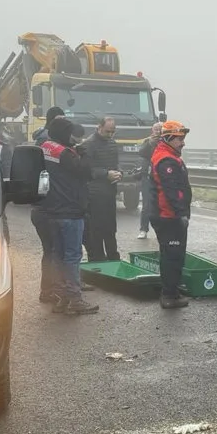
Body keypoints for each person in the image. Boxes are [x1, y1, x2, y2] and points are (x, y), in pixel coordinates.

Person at [40, 116, 98, 315]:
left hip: (51, 210)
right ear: (63, 133)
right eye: (70, 132)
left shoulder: (45, 147)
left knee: (58, 255)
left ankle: (61, 297)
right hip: (70, 210)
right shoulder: (65, 153)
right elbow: (86, 171)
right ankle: (75, 299)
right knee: (73, 256)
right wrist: (84, 154)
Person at [149, 120, 192, 309]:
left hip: (167, 214)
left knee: (171, 254)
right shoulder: (166, 160)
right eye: (179, 139)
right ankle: (169, 295)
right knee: (173, 255)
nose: (183, 142)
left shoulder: (168, 155)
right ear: (168, 139)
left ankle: (172, 290)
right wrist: (182, 213)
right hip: (168, 216)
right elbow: (172, 191)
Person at [81, 117, 123, 262]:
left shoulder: (112, 143)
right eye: (107, 131)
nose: (110, 135)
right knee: (96, 230)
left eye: (113, 132)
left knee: (110, 229)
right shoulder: (89, 144)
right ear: (99, 127)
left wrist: (119, 173)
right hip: (94, 194)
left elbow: (115, 164)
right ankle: (98, 259)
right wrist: (106, 174)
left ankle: (113, 258)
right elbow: (87, 170)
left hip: (110, 193)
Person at [138, 121, 163, 239]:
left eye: (160, 129)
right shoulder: (147, 141)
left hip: (162, 176)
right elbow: (142, 153)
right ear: (152, 130)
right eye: (156, 129)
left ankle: (161, 230)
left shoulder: (165, 141)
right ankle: (143, 229)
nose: (158, 132)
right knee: (147, 204)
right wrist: (151, 143)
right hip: (148, 175)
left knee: (162, 204)